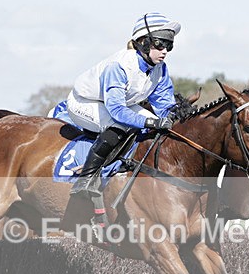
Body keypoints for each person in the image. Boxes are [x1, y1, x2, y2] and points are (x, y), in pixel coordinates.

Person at [67, 12, 180, 198]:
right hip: (84, 102)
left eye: (169, 45)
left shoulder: (160, 69)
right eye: (160, 44)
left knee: (155, 124)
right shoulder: (118, 66)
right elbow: (117, 111)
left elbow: (165, 105)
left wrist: (172, 118)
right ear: (143, 42)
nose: (165, 51)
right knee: (121, 125)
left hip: (122, 104)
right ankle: (85, 180)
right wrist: (150, 123)